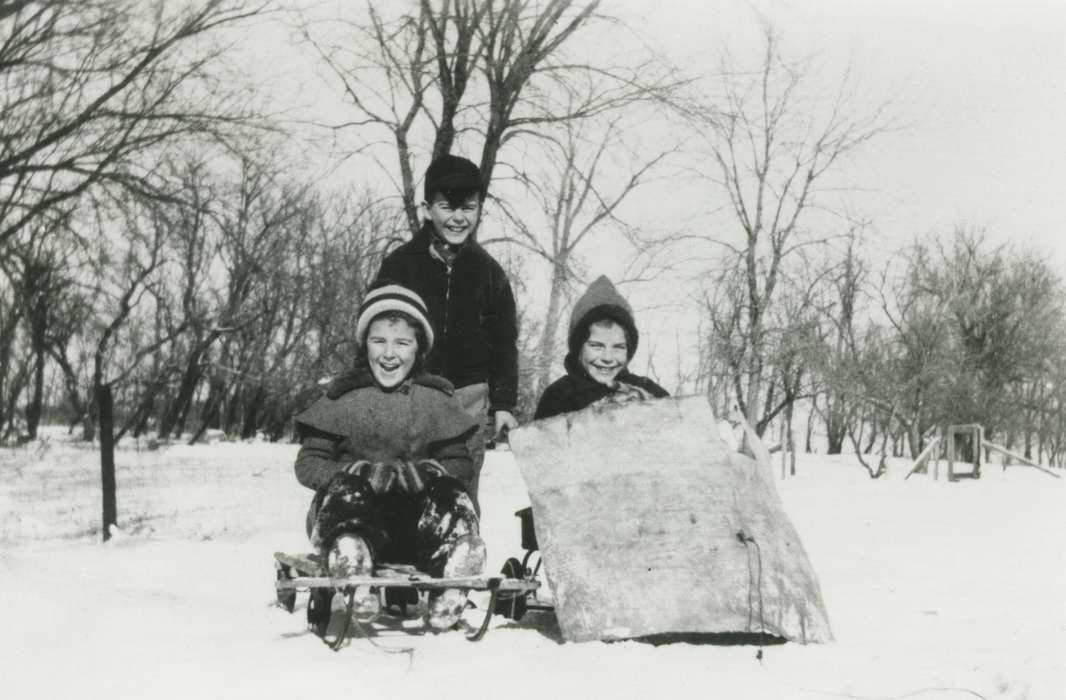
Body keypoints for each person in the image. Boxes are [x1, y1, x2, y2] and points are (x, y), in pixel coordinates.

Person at [293, 285, 485, 632]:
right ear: (364, 343)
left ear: (419, 349)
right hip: (353, 515)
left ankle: (454, 566)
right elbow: (309, 464)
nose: (389, 354)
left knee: (451, 495)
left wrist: (427, 473)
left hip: (411, 525)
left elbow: (460, 463)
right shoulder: (343, 397)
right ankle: (352, 563)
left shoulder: (436, 399)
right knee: (347, 492)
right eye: (378, 341)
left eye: (402, 343)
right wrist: (359, 472)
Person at [374, 154, 519, 513]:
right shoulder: (401, 264)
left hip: (466, 403)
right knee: (402, 494)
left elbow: (504, 343)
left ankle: (460, 558)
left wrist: (503, 404)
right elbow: (374, 330)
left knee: (459, 497)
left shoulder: (490, 274)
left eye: (468, 208)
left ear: (479, 209)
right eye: (447, 207)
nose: (458, 218)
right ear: (427, 208)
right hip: (408, 398)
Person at [535, 275, 669, 420]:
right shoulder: (559, 395)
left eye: (618, 347)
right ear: (579, 348)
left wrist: (652, 409)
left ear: (629, 351)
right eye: (596, 346)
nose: (607, 358)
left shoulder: (646, 390)